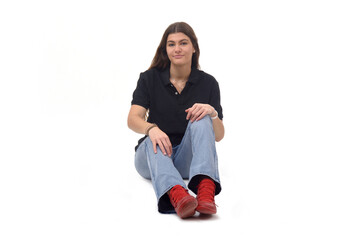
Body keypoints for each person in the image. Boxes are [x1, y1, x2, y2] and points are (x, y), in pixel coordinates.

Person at [127, 22, 224, 219]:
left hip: (186, 160)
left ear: (194, 47)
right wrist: (151, 128)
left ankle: (206, 193)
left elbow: (219, 136)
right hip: (152, 157)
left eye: (183, 43)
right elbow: (132, 119)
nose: (177, 49)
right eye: (171, 44)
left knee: (202, 115)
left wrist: (212, 113)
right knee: (151, 141)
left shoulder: (209, 83)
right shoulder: (149, 78)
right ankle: (178, 195)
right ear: (165, 49)